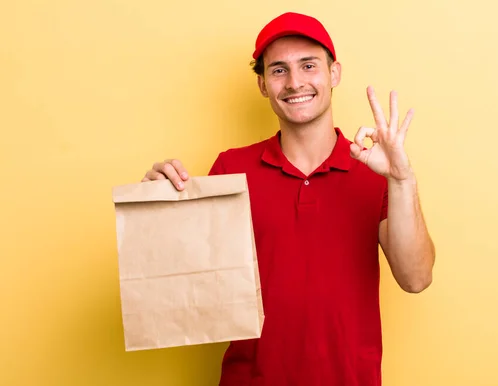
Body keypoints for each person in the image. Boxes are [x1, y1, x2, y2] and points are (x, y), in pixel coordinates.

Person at [141, 11, 435, 386]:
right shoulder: (232, 168)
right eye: (278, 70)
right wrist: (152, 212)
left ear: (334, 73)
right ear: (263, 84)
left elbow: (416, 278)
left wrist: (402, 179)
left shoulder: (376, 171)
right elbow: (181, 284)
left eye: (308, 65)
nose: (295, 82)